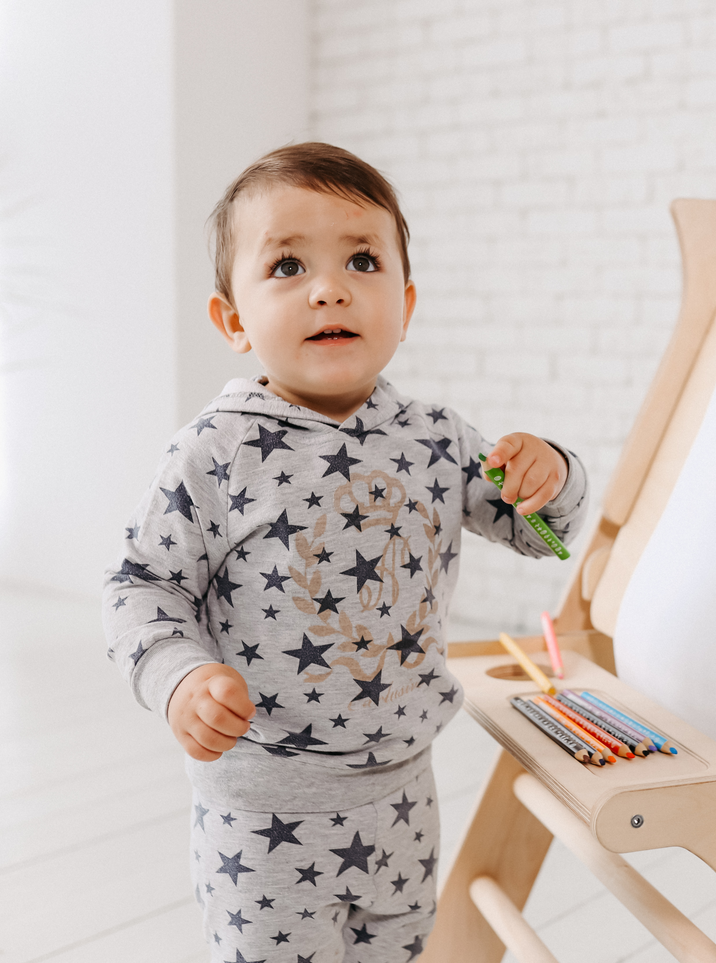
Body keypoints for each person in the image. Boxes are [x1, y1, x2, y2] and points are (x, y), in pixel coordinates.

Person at [101, 142, 587, 962]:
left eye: (361, 260)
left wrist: (551, 474)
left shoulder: (434, 437)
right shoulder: (216, 451)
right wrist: (179, 674)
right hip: (264, 810)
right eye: (287, 266)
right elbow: (141, 586)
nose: (330, 286)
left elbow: (535, 532)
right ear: (232, 319)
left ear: (404, 301)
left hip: (403, 790)